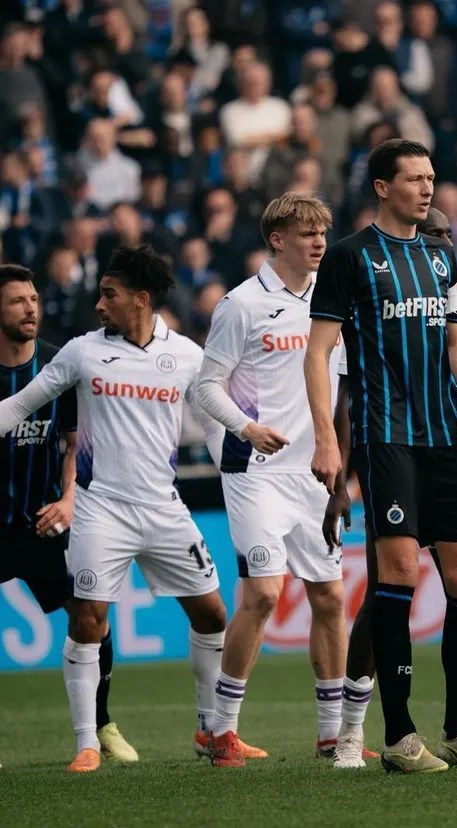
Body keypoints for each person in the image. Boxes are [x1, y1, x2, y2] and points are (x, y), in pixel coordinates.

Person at [321, 207, 457, 769]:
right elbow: (343, 392)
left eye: (446, 239)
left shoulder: (451, 295)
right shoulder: (364, 280)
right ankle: (362, 731)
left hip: (448, 449)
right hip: (388, 446)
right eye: (434, 235)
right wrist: (340, 475)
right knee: (387, 588)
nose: (442, 246)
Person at [304, 139, 457, 772]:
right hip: (386, 436)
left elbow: (455, 340)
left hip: (444, 437)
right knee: (399, 575)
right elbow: (318, 354)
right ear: (383, 187)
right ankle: (398, 736)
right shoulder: (349, 257)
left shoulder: (440, 256)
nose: (427, 188)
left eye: (431, 177)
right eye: (414, 179)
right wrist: (327, 439)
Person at [0, 245, 228, 773]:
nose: (99, 304)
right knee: (88, 617)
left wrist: (239, 470)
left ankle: (208, 728)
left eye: (109, 295)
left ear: (140, 299)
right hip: (101, 510)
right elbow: (19, 405)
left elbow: (213, 418)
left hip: (153, 508)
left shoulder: (185, 355)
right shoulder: (81, 352)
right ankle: (87, 741)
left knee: (213, 614)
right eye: (100, 294)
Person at [194, 193, 358, 767]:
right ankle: (221, 729)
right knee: (264, 592)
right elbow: (205, 386)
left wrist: (341, 473)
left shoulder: (331, 300)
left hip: (315, 473)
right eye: (307, 233)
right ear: (277, 239)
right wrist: (246, 427)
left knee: (330, 596)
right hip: (254, 470)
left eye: (323, 232)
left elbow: (341, 393)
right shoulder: (241, 304)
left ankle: (332, 734)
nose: (319, 242)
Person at [0, 264, 137, 767]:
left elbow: (76, 444)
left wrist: (68, 500)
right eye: (17, 301)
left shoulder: (60, 365)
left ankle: (101, 725)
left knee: (92, 615)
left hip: (44, 521)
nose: (30, 309)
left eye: (34, 299)